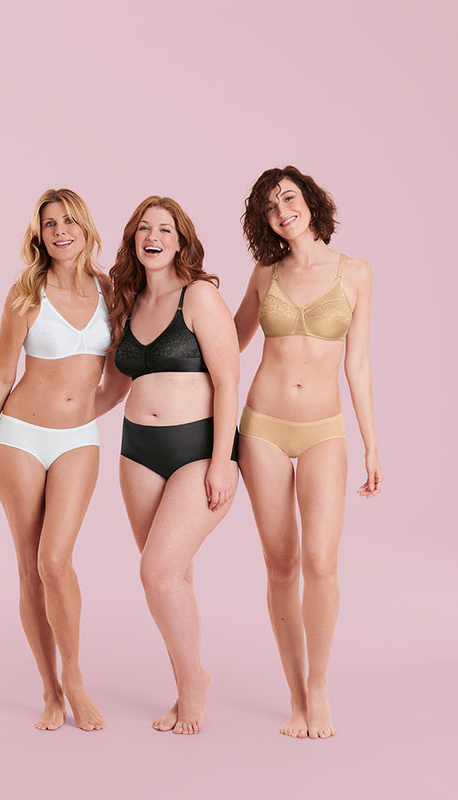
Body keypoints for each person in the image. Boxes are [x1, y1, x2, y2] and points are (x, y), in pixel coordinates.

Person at [235, 166, 382, 739]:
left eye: (289, 198)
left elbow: (358, 365)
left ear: (311, 201)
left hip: (323, 430)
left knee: (321, 562)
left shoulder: (356, 272)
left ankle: (317, 687)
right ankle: (295, 695)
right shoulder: (264, 273)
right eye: (270, 208)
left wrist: (371, 445)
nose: (282, 212)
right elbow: (229, 342)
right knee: (282, 565)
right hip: (262, 429)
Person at [0, 188, 112, 731]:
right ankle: (51, 690)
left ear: (85, 227)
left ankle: (74, 677)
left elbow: (120, 372)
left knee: (56, 561)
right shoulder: (26, 293)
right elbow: (3, 374)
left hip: (78, 441)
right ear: (39, 235)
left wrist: (86, 411)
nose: (61, 231)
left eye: (69, 221)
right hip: (21, 437)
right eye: (50, 224)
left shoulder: (109, 289)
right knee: (30, 567)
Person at [107, 196, 239, 734]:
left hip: (198, 449)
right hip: (137, 450)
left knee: (156, 572)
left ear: (180, 240)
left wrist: (222, 462)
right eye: (144, 228)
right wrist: (47, 414)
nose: (153, 237)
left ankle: (194, 682)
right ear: (133, 240)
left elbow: (228, 381)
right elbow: (112, 388)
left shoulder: (199, 296)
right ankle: (185, 686)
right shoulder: (126, 301)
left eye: (165, 229)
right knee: (171, 578)